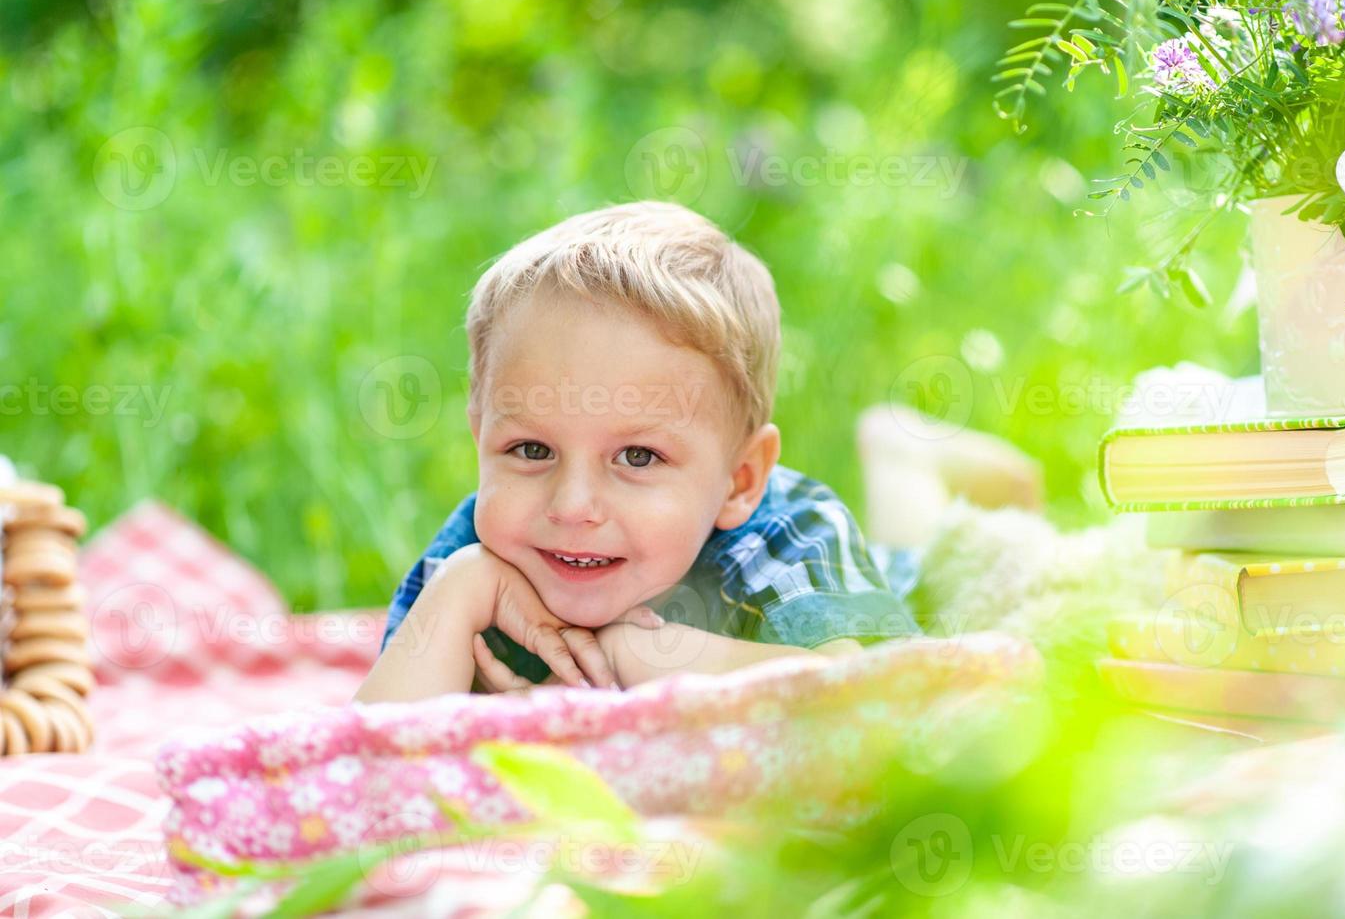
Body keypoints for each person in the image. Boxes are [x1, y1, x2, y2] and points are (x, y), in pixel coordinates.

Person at [353, 202, 926, 704]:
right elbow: (363, 769)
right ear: (481, 441)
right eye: (531, 449)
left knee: (931, 534)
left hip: (898, 569)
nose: (572, 506)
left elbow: (865, 698)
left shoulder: (788, 532)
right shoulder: (479, 554)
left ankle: (902, 453)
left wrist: (637, 654)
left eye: (638, 457)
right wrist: (462, 587)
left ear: (740, 480)